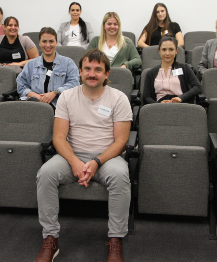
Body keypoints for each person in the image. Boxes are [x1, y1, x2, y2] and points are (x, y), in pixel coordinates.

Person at [35, 49, 132, 262]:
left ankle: (115, 239)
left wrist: (96, 162)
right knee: (45, 173)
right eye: (87, 69)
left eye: (98, 69)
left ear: (107, 74)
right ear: (79, 72)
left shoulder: (119, 98)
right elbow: (59, 138)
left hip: (107, 158)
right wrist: (75, 162)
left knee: (120, 176)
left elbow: (121, 141)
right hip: (72, 154)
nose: (92, 73)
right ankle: (50, 237)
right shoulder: (67, 97)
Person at [16, 27, 80, 107]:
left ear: (56, 42)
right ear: (39, 43)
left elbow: (74, 83)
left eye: (51, 41)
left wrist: (55, 92)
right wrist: (36, 96)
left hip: (60, 107)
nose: (48, 45)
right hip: (34, 106)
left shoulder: (68, 63)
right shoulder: (30, 64)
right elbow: (21, 84)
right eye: (44, 41)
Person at [143, 35, 201, 104]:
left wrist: (181, 98)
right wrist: (158, 104)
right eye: (164, 50)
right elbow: (146, 96)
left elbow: (197, 87)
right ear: (159, 51)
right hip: (159, 107)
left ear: (176, 51)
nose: (167, 53)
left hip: (180, 105)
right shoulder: (151, 73)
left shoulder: (184, 68)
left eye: (171, 49)